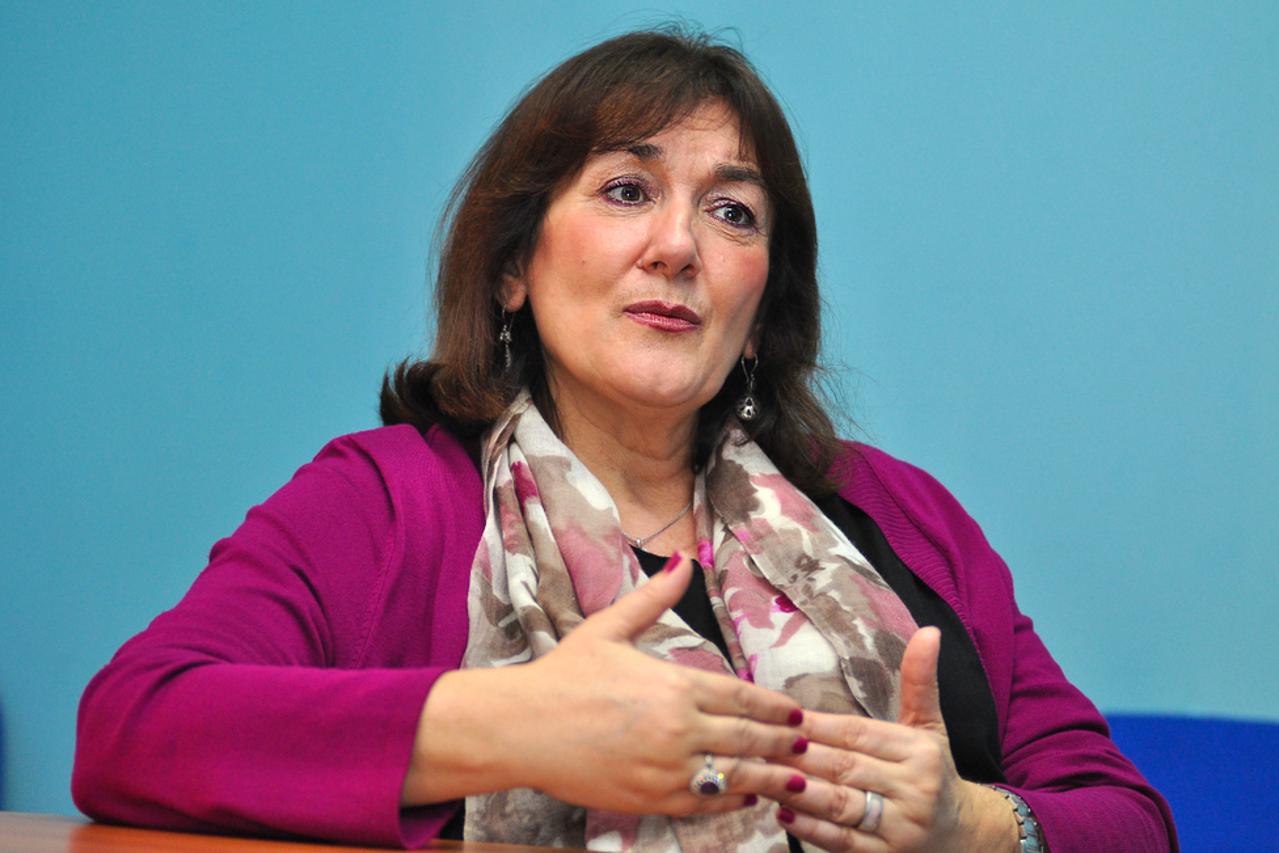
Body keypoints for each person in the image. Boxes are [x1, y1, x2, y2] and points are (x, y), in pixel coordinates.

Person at [72, 28, 1177, 853]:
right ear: (515, 266)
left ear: (762, 307)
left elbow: (1127, 817)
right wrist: (508, 724)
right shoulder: (386, 502)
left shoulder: (902, 516)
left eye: (732, 212)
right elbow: (131, 727)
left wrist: (972, 826)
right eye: (626, 189)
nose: (677, 246)